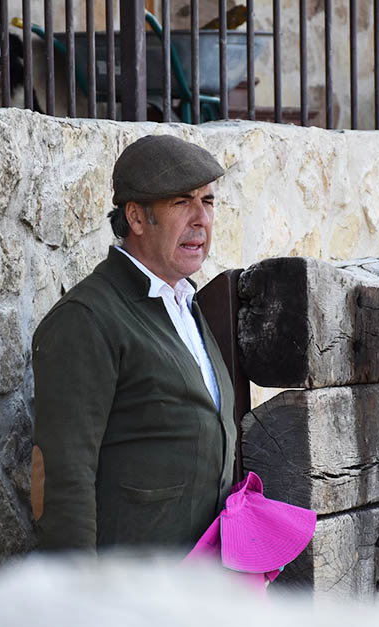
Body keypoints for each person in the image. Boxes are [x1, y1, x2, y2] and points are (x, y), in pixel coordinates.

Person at [30, 134, 237, 551]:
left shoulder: (184, 301)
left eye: (208, 201)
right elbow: (63, 479)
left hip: (196, 591)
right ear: (137, 219)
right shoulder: (87, 318)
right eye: (181, 202)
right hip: (127, 595)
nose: (201, 219)